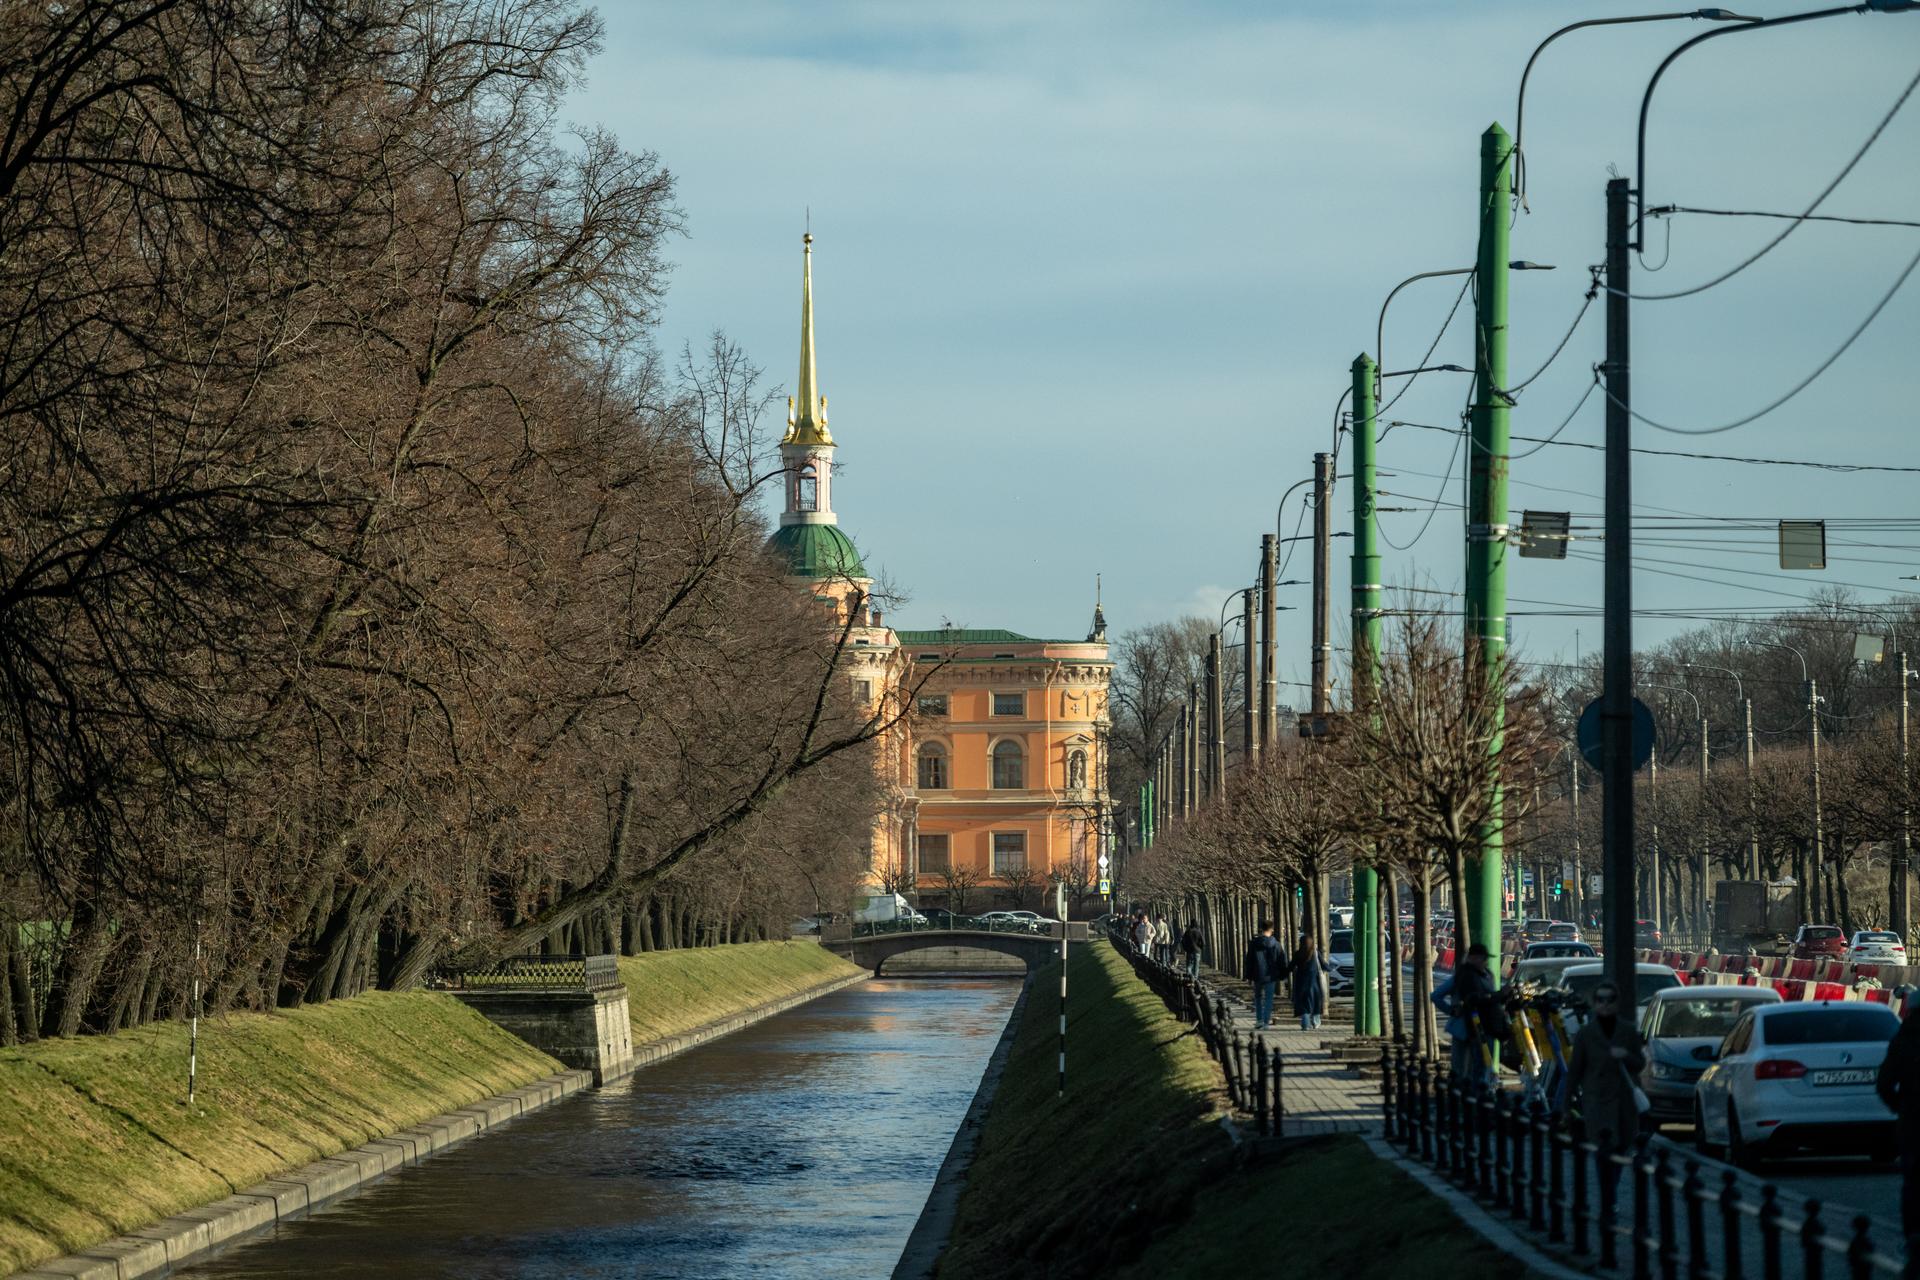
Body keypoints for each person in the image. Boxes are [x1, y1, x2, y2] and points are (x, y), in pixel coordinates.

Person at [1566, 980, 1646, 1231]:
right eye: (1600, 999)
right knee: (1603, 1153)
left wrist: (1627, 1056)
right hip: (1597, 1102)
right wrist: (1564, 1105)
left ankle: (1610, 1196)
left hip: (1623, 1103)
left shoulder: (1628, 1031)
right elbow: (1574, 1072)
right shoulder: (1586, 1035)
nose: (1604, 1004)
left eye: (1609, 999)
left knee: (1620, 1150)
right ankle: (1609, 1203)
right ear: (1594, 1003)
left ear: (1616, 1002)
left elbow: (1640, 1063)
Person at [1875, 989, 1920, 1273]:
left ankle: (1913, 1237)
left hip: (1913, 1124)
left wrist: (1901, 1108)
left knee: (1913, 1184)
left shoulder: (1904, 1040)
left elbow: (1884, 1084)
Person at [1431, 941, 1497, 1089]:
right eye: (1483, 958)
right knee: (1466, 1070)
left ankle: (1467, 1097)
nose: (1485, 962)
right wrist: (1452, 1011)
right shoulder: (1467, 976)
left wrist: (1452, 1012)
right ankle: (1465, 1099)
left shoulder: (1485, 975)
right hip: (1468, 1028)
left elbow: (1436, 996)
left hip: (1473, 1027)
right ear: (1473, 958)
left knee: (1469, 1068)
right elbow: (1435, 995)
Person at [1243, 920, 1285, 1029]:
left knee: (1258, 997)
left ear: (1261, 929)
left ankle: (1259, 1020)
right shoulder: (1276, 945)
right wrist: (1282, 974)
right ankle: (1266, 1022)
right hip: (1271, 975)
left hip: (1257, 975)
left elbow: (1249, 960)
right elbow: (1281, 961)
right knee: (1268, 998)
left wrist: (1248, 975)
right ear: (1272, 929)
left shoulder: (1254, 943)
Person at [1290, 933, 1324, 1031]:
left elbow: (1291, 966)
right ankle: (1316, 1022)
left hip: (1301, 983)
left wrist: (1282, 972)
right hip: (1314, 984)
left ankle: (1305, 1024)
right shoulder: (1315, 954)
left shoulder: (1298, 954)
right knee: (1316, 1003)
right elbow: (1323, 965)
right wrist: (1331, 969)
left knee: (1304, 1005)